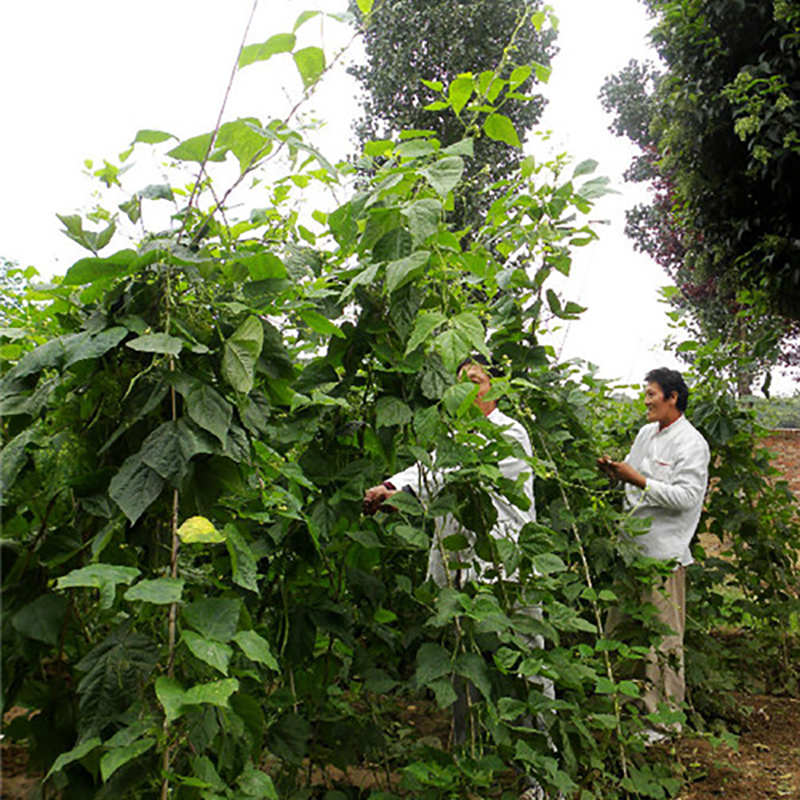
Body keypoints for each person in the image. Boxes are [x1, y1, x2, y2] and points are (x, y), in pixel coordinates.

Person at [363, 355, 553, 800]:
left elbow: (451, 475)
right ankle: (469, 771)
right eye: (459, 382)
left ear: (492, 386)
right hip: (463, 575)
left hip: (507, 572)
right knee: (464, 669)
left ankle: (541, 778)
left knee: (527, 669)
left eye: (476, 380)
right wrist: (390, 488)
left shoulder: (509, 432)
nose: (468, 389)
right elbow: (425, 469)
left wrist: (403, 492)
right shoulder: (450, 438)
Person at [598, 367, 710, 741]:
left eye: (651, 394)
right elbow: (635, 482)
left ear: (672, 398)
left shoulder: (692, 444)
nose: (645, 401)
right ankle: (627, 709)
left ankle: (663, 724)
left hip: (664, 556)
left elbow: (687, 498)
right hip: (632, 552)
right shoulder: (647, 434)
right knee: (623, 631)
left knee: (662, 642)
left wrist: (638, 480)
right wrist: (617, 474)